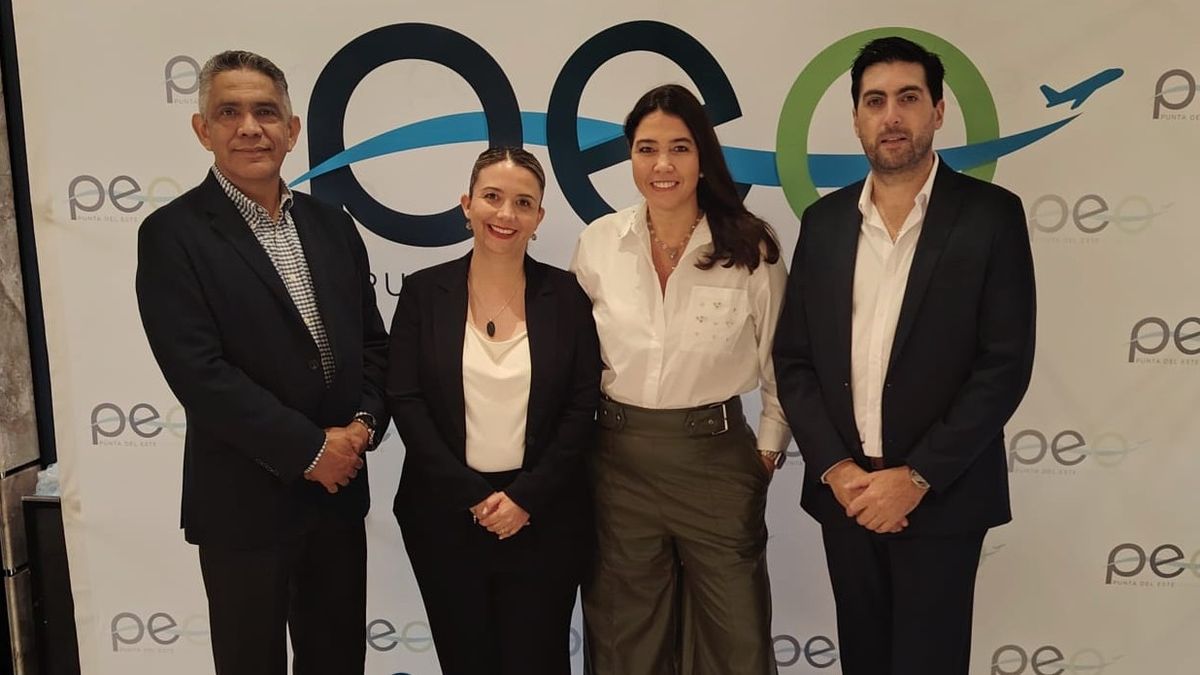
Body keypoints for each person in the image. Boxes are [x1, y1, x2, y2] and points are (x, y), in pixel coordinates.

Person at [773, 36, 1036, 675]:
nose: (891, 116)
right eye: (875, 101)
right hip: (847, 496)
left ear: (938, 111)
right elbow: (795, 360)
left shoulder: (991, 216)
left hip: (942, 496)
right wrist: (837, 469)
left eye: (908, 98)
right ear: (856, 118)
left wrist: (915, 479)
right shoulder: (824, 222)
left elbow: (1003, 365)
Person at [135, 50, 388, 675]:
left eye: (266, 112)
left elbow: (373, 348)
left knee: (338, 662)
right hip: (242, 507)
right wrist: (311, 449)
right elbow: (200, 373)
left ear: (292, 129)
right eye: (230, 112)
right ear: (203, 130)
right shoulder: (172, 234)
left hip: (336, 500)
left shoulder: (334, 226)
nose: (250, 127)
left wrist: (360, 428)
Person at [572, 84, 789, 675]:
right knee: (625, 641)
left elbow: (782, 361)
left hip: (716, 462)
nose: (662, 165)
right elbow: (571, 362)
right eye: (647, 149)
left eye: (679, 148)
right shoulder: (599, 244)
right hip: (618, 465)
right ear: (630, 157)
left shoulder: (750, 246)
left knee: (736, 640)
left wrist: (767, 452)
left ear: (703, 156)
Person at [387, 147, 600, 675]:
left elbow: (581, 406)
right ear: (467, 204)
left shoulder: (567, 296)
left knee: (539, 660)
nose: (506, 214)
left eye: (523, 203)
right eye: (492, 197)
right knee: (466, 660)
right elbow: (406, 400)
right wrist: (473, 496)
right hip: (444, 515)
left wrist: (525, 497)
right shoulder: (423, 292)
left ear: (539, 217)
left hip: (544, 516)